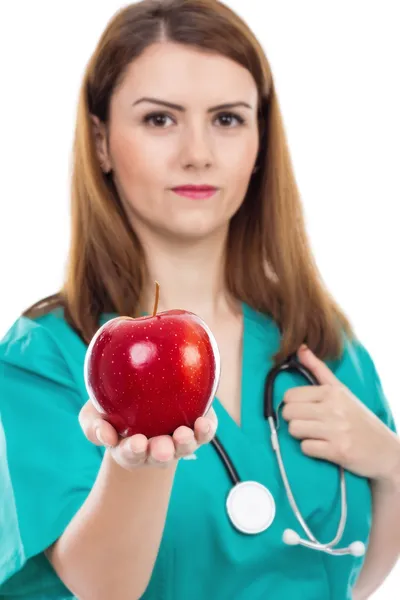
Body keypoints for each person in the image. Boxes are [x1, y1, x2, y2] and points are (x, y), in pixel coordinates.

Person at [0, 0, 399, 598]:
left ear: (261, 142)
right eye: (160, 120)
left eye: (228, 119)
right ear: (102, 143)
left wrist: (392, 464)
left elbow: (346, 575)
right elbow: (98, 588)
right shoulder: (48, 355)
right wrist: (139, 466)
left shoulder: (316, 339)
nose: (198, 153)